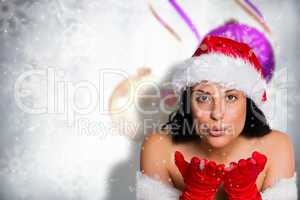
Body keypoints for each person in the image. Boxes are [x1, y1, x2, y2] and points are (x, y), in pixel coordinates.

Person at [136, 36, 297, 200]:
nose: (217, 114)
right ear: (188, 104)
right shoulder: (159, 148)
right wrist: (196, 195)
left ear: (249, 104)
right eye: (204, 98)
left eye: (231, 97)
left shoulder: (277, 147)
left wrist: (246, 195)